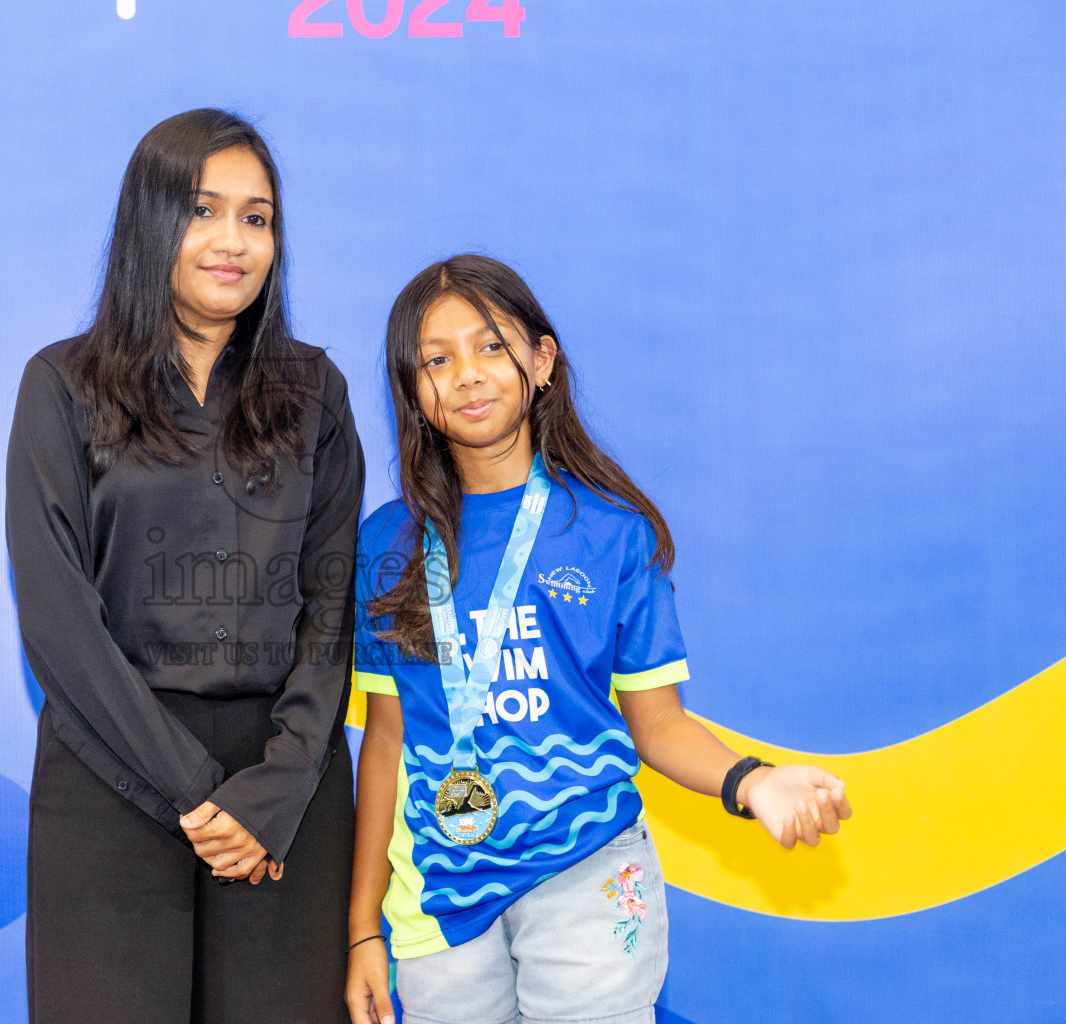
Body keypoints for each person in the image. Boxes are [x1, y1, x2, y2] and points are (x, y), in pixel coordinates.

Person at [344, 255, 852, 1024]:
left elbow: (663, 726)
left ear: (542, 361)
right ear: (412, 390)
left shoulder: (612, 535)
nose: (468, 376)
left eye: (491, 347)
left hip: (585, 873)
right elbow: (384, 743)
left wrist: (754, 782)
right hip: (437, 903)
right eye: (436, 361)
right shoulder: (387, 545)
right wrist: (360, 932)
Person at [6, 108, 362, 1024]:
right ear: (151, 221)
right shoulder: (63, 384)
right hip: (109, 771)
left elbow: (330, 614)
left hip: (286, 789)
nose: (233, 242)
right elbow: (57, 620)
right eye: (205, 211)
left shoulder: (315, 391)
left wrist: (272, 792)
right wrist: (202, 795)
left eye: (258, 217)